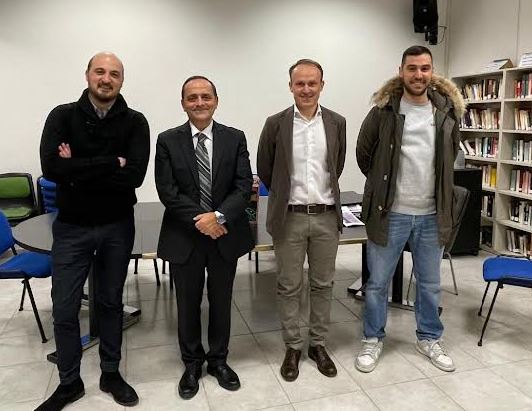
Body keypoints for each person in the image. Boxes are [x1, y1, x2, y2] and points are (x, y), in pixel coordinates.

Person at [36, 52, 149, 410]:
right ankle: (69, 382)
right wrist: (111, 162)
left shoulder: (135, 122)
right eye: (100, 71)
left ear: (121, 81)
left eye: (114, 74)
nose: (106, 78)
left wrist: (77, 166)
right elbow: (52, 169)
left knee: (110, 303)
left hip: (117, 225)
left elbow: (134, 176)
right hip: (72, 227)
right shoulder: (62, 116)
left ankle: (110, 374)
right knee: (65, 307)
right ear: (87, 75)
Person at [354, 45, 465, 374]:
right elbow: (364, 154)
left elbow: (450, 155)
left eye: (424, 68)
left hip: (432, 214)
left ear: (432, 72)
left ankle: (429, 337)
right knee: (377, 284)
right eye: (412, 68)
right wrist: (382, 186)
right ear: (401, 71)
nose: (419, 75)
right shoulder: (383, 111)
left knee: (430, 284)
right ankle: (373, 338)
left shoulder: (446, 111)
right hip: (390, 213)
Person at [155, 76, 254, 400]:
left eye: (205, 96)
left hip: (224, 234)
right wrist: (203, 220)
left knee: (222, 302)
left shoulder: (234, 138)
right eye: (192, 97)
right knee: (187, 303)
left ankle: (218, 361)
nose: (199, 102)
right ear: (183, 103)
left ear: (216, 100)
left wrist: (219, 217)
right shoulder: (167, 141)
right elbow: (168, 191)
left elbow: (243, 186)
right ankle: (192, 364)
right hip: (185, 235)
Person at [257, 59, 346, 382]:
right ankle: (293, 346)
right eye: (300, 83)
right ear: (291, 86)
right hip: (289, 218)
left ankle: (317, 345)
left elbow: (336, 165)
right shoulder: (275, 124)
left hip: (326, 217)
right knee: (289, 286)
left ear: (322, 85)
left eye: (312, 83)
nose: (306, 89)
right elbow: (265, 169)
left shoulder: (337, 122)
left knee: (323, 284)